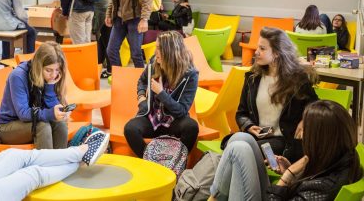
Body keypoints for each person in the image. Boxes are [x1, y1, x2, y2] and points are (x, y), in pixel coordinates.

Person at [208, 100, 363, 201]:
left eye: (306, 132)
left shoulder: (322, 188)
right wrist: (292, 171)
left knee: (238, 148)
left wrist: (287, 177)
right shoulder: (342, 155)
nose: (301, 136)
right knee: (242, 138)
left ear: (321, 141)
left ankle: (214, 196)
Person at [236, 27, 318, 163]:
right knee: (233, 145)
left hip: (284, 143)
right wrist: (249, 126)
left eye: (262, 49)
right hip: (257, 139)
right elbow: (241, 113)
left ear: (277, 53)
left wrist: (305, 120)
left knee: (239, 151)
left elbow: (315, 105)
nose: (256, 52)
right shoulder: (252, 78)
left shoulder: (297, 79)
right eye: (258, 47)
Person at [0, 131, 110, 201]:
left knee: (14, 154)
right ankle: (81, 160)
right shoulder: (18, 77)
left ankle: (79, 152)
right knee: (32, 174)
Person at [124, 31, 199, 158]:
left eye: (158, 48)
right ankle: (150, 160)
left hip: (174, 121)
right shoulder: (154, 63)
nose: (154, 52)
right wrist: (141, 98)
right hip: (152, 119)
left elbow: (181, 111)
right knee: (130, 129)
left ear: (169, 51)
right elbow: (142, 80)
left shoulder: (190, 74)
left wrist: (161, 93)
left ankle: (175, 160)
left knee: (191, 127)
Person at [0, 42, 69, 149]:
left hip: (33, 122)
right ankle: (45, 165)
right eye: (48, 70)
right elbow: (23, 113)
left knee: (60, 124)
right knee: (42, 126)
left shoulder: (53, 77)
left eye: (57, 70)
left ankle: (59, 164)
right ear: (39, 66)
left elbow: (51, 111)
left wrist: (50, 87)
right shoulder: (17, 76)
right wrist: (50, 113)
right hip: (8, 127)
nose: (53, 75)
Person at [92, 0, 112, 79]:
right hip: (108, 15)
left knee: (107, 45)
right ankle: (99, 66)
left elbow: (96, 21)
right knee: (103, 42)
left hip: (107, 17)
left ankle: (110, 71)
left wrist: (94, 29)